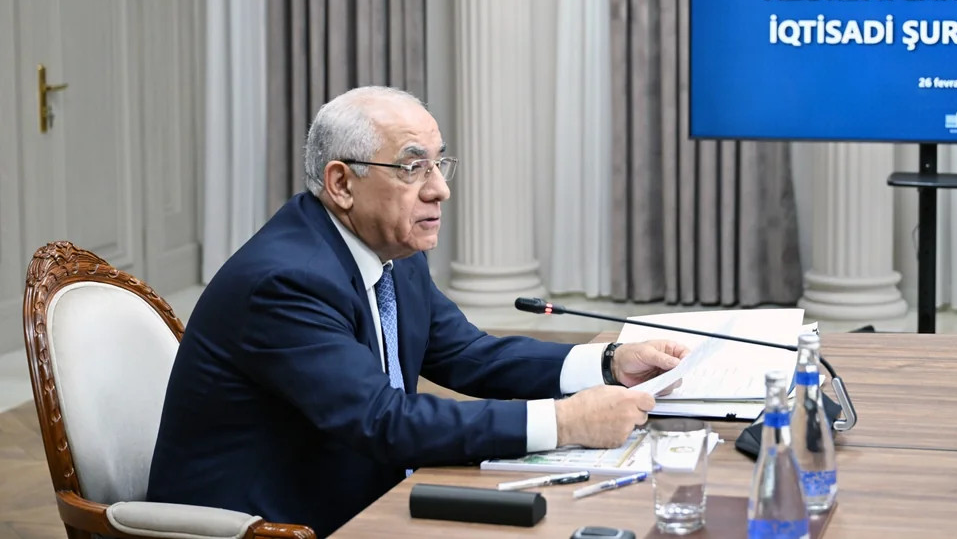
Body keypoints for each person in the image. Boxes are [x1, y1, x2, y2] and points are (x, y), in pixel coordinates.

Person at [147, 87, 687, 536]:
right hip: (275, 525)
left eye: (439, 164)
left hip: (364, 500)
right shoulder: (285, 281)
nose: (441, 190)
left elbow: (469, 355)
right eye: (412, 168)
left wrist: (608, 363)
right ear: (342, 184)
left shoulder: (391, 254)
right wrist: (565, 421)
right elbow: (382, 420)